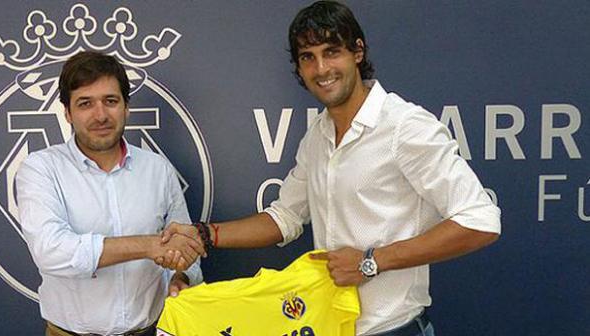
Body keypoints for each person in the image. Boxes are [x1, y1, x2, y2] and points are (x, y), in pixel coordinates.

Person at [161, 1, 501, 336]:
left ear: (358, 52)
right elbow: (285, 218)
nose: (321, 69)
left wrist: (372, 261)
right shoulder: (318, 135)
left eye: (331, 51)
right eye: (308, 57)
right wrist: (206, 234)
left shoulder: (404, 126)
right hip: (329, 328)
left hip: (392, 329)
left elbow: (480, 220)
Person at [15, 51, 203, 336]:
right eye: (85, 103)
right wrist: (149, 245)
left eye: (110, 101)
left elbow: (185, 247)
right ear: (67, 112)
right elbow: (51, 251)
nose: (100, 115)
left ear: (126, 107)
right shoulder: (40, 169)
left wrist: (181, 276)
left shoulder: (158, 169)